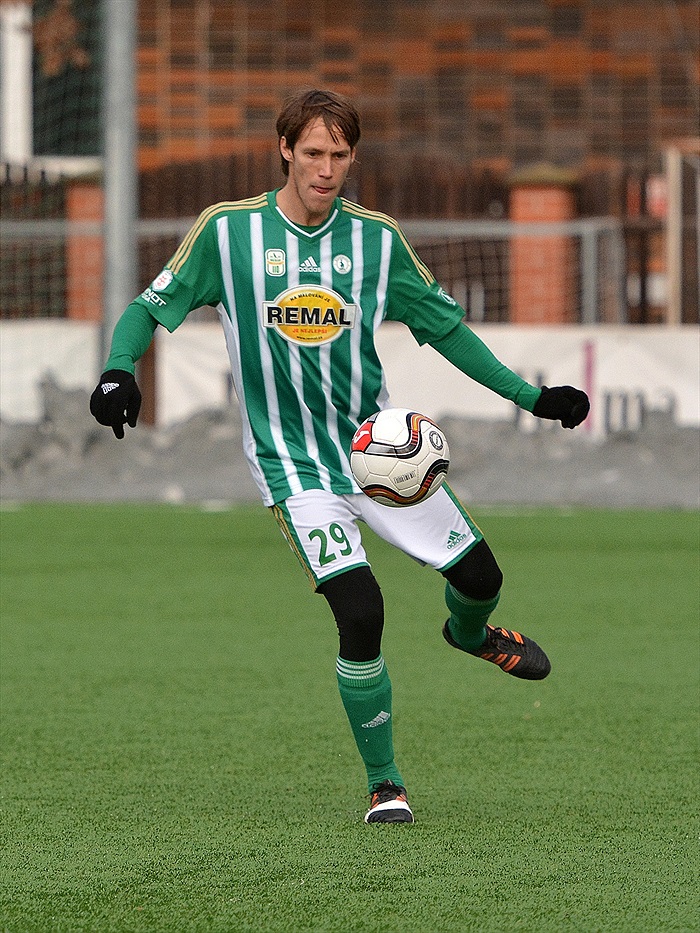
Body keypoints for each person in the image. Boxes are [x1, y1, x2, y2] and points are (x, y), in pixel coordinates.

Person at [90, 89, 590, 824]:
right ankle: (386, 783)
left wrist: (533, 397)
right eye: (314, 153)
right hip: (291, 465)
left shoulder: (378, 241)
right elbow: (146, 306)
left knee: (482, 575)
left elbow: (446, 328)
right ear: (286, 149)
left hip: (378, 454)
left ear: (354, 157)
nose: (326, 169)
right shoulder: (228, 234)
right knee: (361, 610)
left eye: (340, 155)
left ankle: (472, 633)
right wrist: (118, 369)